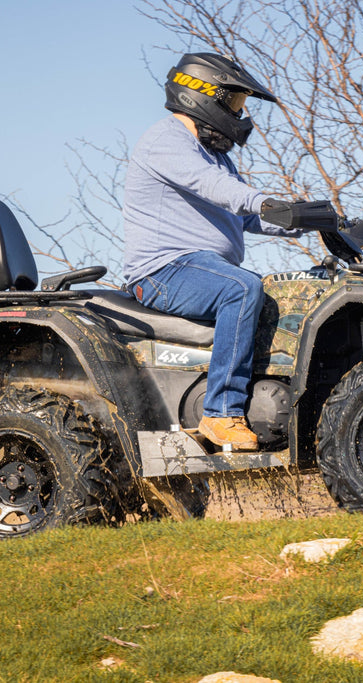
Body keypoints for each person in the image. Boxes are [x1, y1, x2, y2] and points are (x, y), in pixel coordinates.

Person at [122, 52, 299, 451]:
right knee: (240, 288)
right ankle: (221, 414)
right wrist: (265, 202)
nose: (240, 115)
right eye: (235, 103)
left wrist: (311, 220)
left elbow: (247, 217)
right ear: (202, 94)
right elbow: (217, 189)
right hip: (163, 271)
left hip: (198, 268)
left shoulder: (213, 154)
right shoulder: (168, 139)